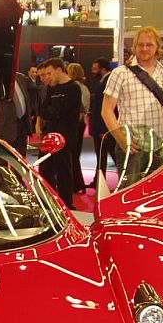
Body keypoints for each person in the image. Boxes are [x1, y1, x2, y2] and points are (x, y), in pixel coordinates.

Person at [102, 26, 163, 187]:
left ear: (157, 47)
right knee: (128, 193)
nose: (144, 48)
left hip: (159, 145)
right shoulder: (121, 73)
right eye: (140, 45)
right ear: (134, 47)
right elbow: (107, 110)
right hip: (132, 146)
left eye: (149, 44)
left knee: (158, 192)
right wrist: (122, 140)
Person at [39, 58, 81, 209]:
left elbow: (58, 112)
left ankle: (66, 204)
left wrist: (51, 112)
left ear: (59, 70)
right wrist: (50, 112)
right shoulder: (52, 88)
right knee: (44, 170)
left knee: (64, 172)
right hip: (50, 136)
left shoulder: (73, 88)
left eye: (49, 73)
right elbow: (43, 110)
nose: (47, 78)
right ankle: (47, 202)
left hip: (66, 137)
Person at [87, 57, 117, 189]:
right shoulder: (104, 81)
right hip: (102, 127)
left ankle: (102, 180)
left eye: (95, 69)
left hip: (103, 128)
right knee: (103, 155)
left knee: (110, 154)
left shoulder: (107, 82)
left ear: (102, 68)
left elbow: (106, 108)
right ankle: (99, 180)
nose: (92, 72)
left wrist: (103, 129)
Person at [66, 62, 90, 193]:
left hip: (76, 124)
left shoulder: (74, 88)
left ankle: (76, 184)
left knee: (72, 155)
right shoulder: (84, 88)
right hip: (82, 123)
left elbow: (79, 111)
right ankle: (78, 184)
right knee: (75, 155)